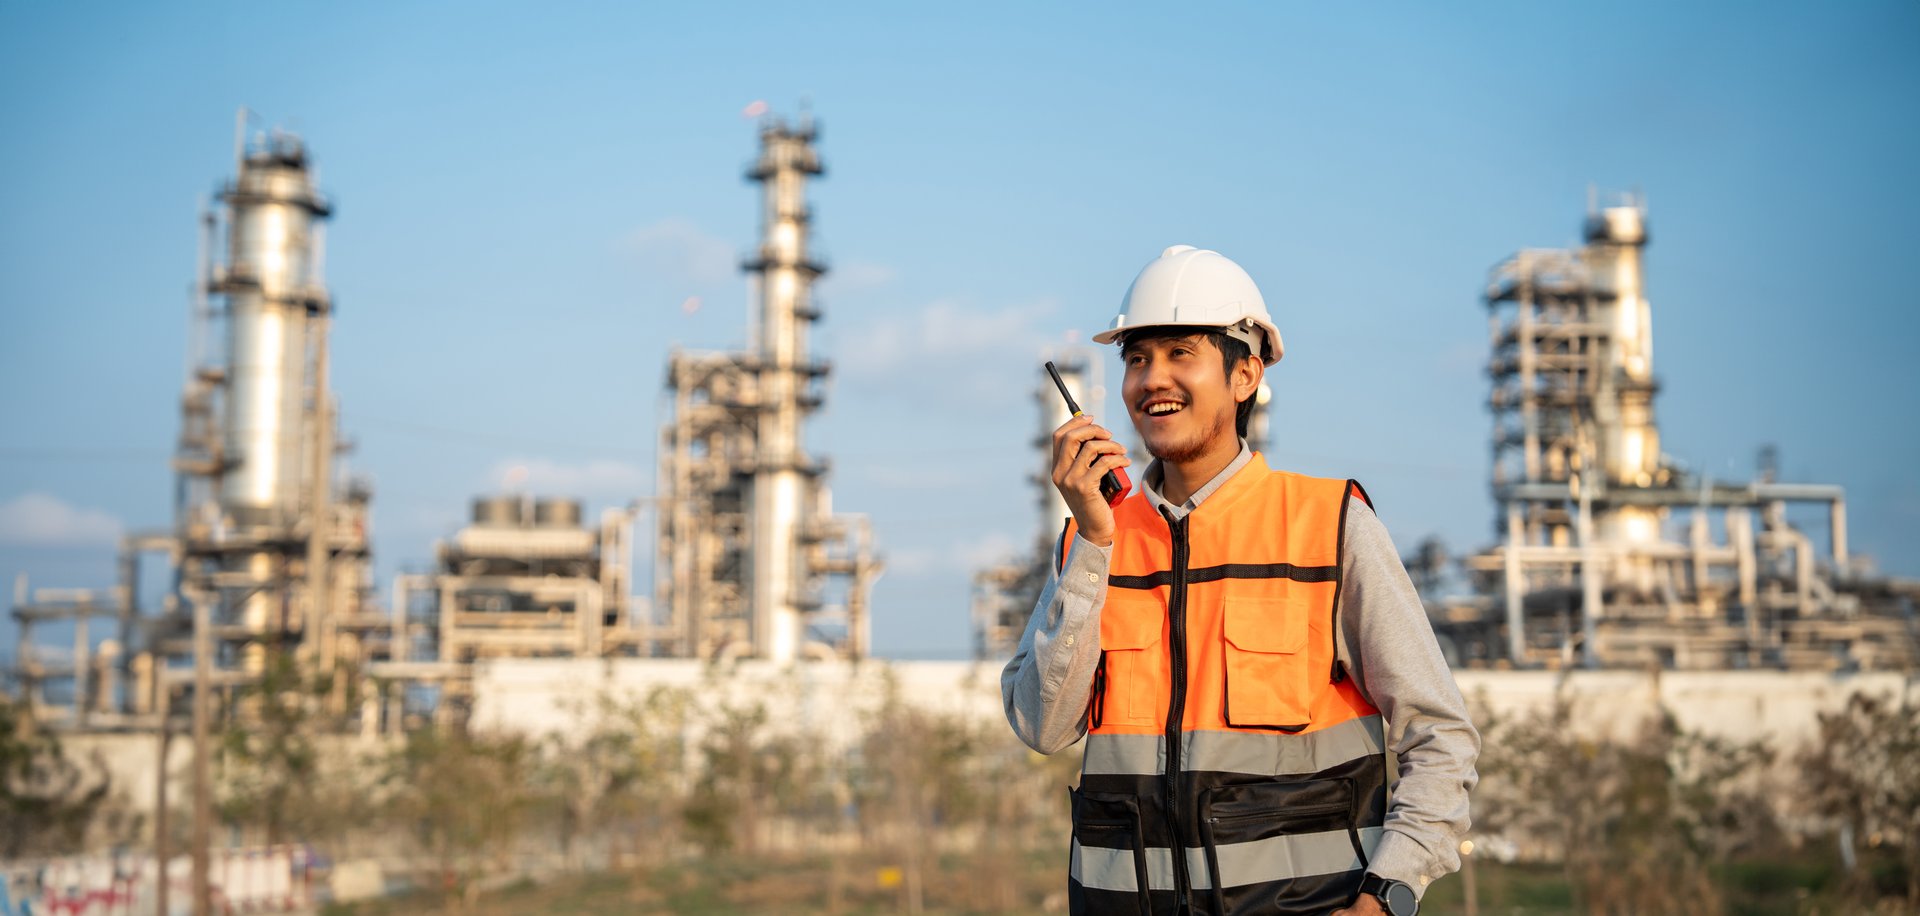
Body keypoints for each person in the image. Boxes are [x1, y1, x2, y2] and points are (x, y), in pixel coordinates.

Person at [1002, 246, 1479, 916]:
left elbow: (1439, 734)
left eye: (1179, 354)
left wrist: (1387, 895)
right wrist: (1094, 540)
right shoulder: (1095, 538)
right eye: (1137, 359)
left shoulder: (1329, 524)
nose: (1151, 379)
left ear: (1245, 374)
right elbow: (1042, 725)